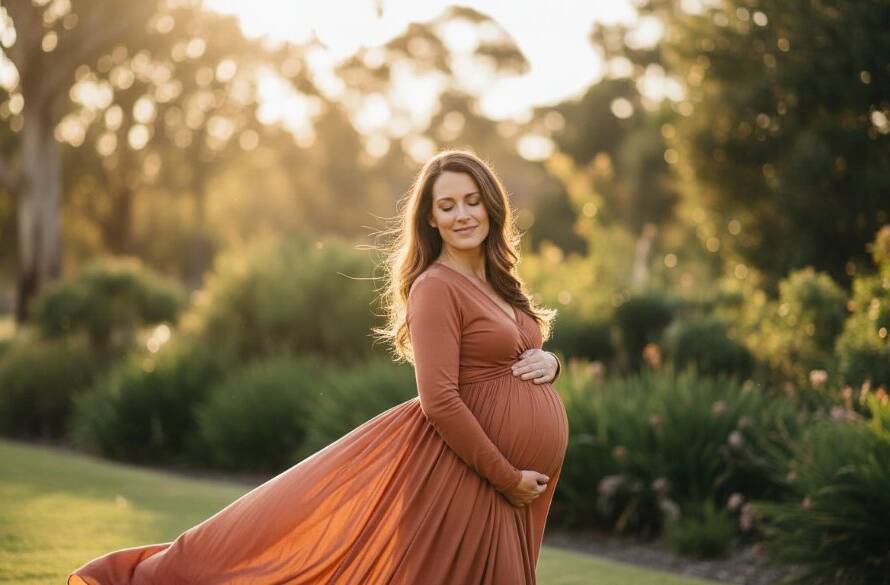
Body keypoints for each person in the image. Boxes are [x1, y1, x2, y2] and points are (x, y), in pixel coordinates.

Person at [68, 149, 569, 585]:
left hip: (509, 485)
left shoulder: (500, 283)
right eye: (447, 205)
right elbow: (439, 400)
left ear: (491, 204)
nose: (463, 214)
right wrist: (505, 476)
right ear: (430, 220)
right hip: (468, 476)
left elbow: (521, 350)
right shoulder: (435, 287)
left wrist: (552, 362)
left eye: (471, 200)